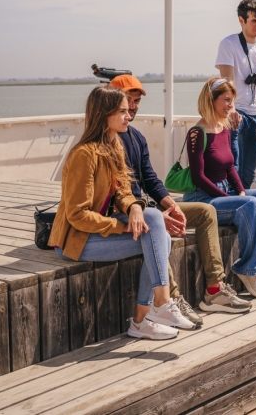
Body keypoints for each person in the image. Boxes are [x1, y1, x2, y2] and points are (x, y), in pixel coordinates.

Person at [48, 86, 194, 340]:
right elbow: (77, 215)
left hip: (98, 232)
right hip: (76, 241)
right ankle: (152, 311)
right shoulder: (85, 154)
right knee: (157, 237)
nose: (129, 116)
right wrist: (122, 226)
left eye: (129, 111)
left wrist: (135, 207)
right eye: (123, 111)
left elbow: (124, 191)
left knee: (154, 224)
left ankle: (150, 312)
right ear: (105, 114)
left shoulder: (114, 145)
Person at [109, 75, 246, 323]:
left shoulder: (136, 137)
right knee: (156, 226)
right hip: (124, 212)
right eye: (127, 100)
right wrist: (156, 213)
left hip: (144, 207)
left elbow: (149, 178)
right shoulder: (105, 140)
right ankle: (171, 299)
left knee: (206, 212)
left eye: (136, 101)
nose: (133, 107)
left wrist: (171, 204)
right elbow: (117, 192)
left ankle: (215, 289)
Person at [182, 77, 256, 299]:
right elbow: (198, 177)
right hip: (203, 198)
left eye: (232, 100)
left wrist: (238, 191)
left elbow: (230, 168)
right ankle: (251, 270)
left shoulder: (225, 129)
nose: (231, 105)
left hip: (225, 192)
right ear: (211, 100)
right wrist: (231, 197)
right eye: (226, 100)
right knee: (250, 204)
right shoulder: (197, 133)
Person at [215, 0, 256, 189]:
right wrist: (230, 110)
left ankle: (242, 200)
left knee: (249, 171)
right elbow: (227, 81)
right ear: (241, 20)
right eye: (254, 21)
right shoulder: (229, 44)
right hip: (236, 113)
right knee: (233, 164)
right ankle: (229, 201)